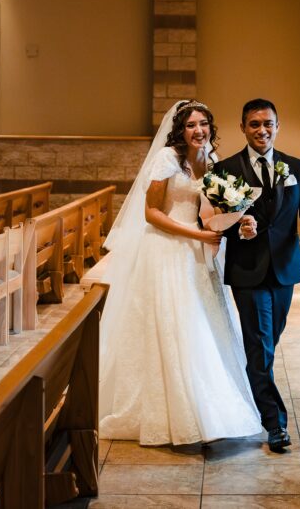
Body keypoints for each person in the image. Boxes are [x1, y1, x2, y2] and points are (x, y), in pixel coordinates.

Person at [98, 100, 262, 445]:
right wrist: (198, 234)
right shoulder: (167, 159)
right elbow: (151, 213)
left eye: (203, 124)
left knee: (203, 322)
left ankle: (209, 408)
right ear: (179, 130)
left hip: (200, 251)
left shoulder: (212, 160)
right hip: (167, 248)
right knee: (177, 324)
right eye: (190, 125)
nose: (198, 130)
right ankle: (176, 410)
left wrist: (233, 218)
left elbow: (213, 208)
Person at [213, 98, 300, 452]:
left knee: (267, 342)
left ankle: (248, 394)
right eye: (254, 124)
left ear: (277, 126)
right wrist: (237, 231)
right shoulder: (225, 171)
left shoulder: (295, 166)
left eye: (268, 124)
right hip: (247, 271)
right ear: (243, 127)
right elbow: (216, 222)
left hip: (285, 269)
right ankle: (274, 423)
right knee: (260, 344)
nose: (262, 130)